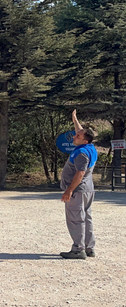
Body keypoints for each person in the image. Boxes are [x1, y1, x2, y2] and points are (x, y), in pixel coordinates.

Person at [60, 110, 98, 260]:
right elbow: (81, 132)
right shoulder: (89, 147)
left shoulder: (81, 153)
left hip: (78, 190)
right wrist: (74, 119)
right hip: (87, 190)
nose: (75, 136)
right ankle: (89, 248)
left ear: (84, 141)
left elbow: (80, 173)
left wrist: (69, 190)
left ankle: (78, 249)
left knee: (76, 219)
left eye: (78, 136)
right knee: (86, 217)